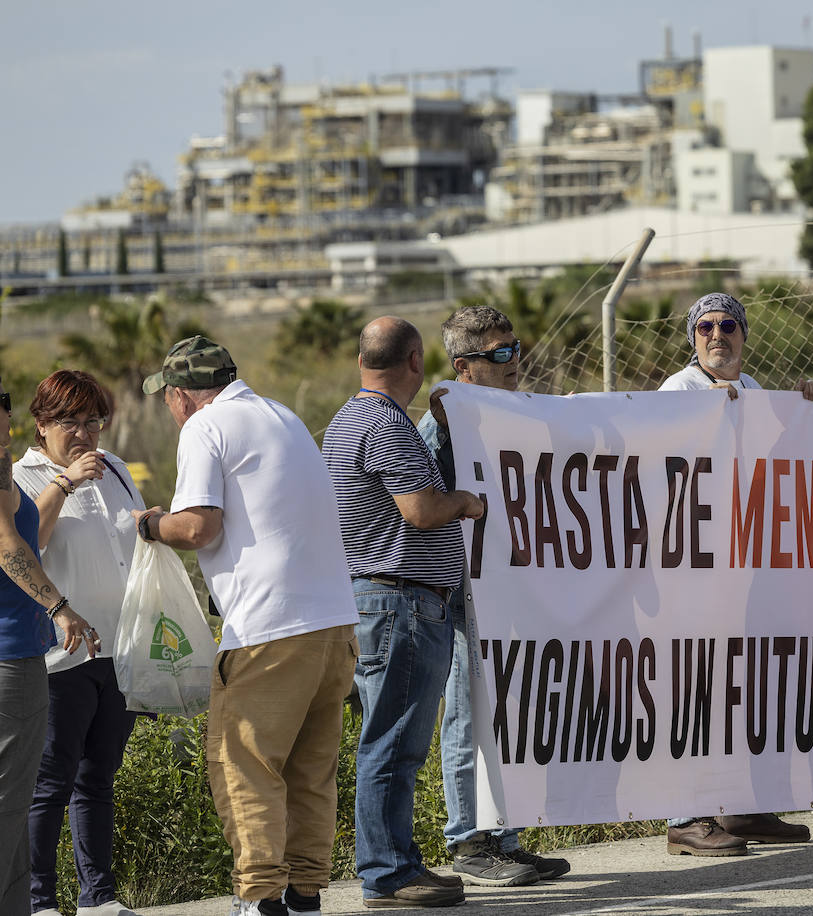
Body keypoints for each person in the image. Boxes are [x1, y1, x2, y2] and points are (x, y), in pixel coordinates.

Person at [136, 337, 359, 916]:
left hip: (268, 627)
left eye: (168, 399)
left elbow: (200, 528)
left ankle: (260, 896)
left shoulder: (205, 427)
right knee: (311, 770)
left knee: (243, 764)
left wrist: (152, 524)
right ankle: (304, 893)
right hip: (333, 624)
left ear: (182, 396)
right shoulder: (281, 415)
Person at [323, 318, 482, 908]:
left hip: (383, 599)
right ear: (414, 359)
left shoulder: (347, 419)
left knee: (389, 738)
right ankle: (387, 872)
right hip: (402, 602)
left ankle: (395, 863)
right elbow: (419, 510)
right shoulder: (386, 423)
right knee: (394, 741)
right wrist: (467, 501)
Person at [659, 292, 813, 855]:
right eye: (705, 327)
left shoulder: (752, 391)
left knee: (743, 686)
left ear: (744, 335)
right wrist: (709, 412)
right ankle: (685, 815)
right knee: (693, 685)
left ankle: (741, 807)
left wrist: (808, 406)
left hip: (747, 567)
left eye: (728, 325)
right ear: (692, 337)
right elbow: (662, 456)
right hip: (694, 568)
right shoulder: (677, 391)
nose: (716, 335)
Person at [416, 305, 568, 887]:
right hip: (460, 598)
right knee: (464, 716)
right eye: (499, 354)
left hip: (509, 595)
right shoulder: (442, 431)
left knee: (506, 716)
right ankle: (468, 838)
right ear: (465, 367)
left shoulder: (513, 415)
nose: (513, 363)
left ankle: (506, 836)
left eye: (516, 350)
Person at [15, 371, 143, 916]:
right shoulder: (21, 476)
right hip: (59, 652)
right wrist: (63, 483)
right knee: (50, 780)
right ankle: (38, 900)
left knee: (97, 778)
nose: (85, 433)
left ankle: (99, 898)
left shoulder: (114, 467)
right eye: (70, 421)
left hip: (120, 645)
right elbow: (24, 548)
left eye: (93, 420)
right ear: (42, 425)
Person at [1, 375, 100, 915]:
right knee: (18, 801)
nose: (4, 447)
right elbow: (12, 544)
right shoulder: (13, 475)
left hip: (39, 648)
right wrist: (58, 605)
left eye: (4, 435)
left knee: (18, 805)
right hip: (19, 653)